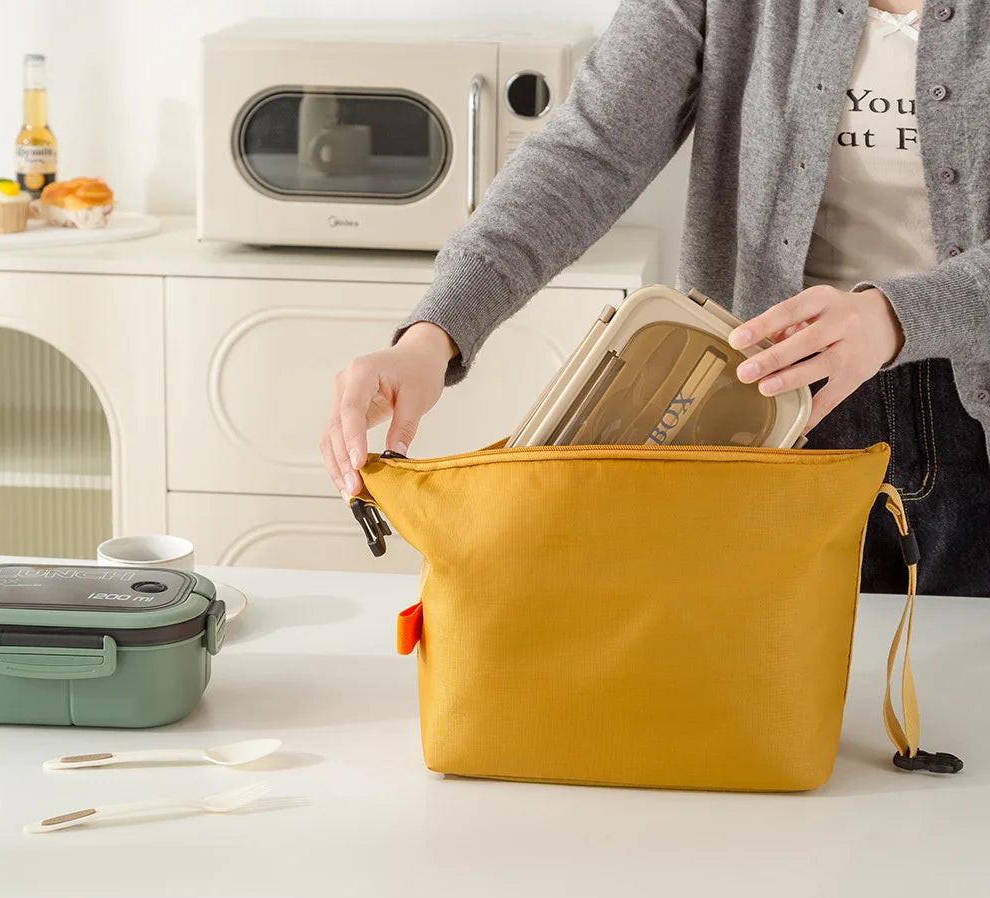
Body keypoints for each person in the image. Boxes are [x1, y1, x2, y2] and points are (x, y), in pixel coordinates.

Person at [322, 0, 990, 598]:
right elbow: (588, 152)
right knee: (765, 704)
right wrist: (432, 334)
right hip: (764, 416)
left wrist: (896, 317)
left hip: (972, 418)